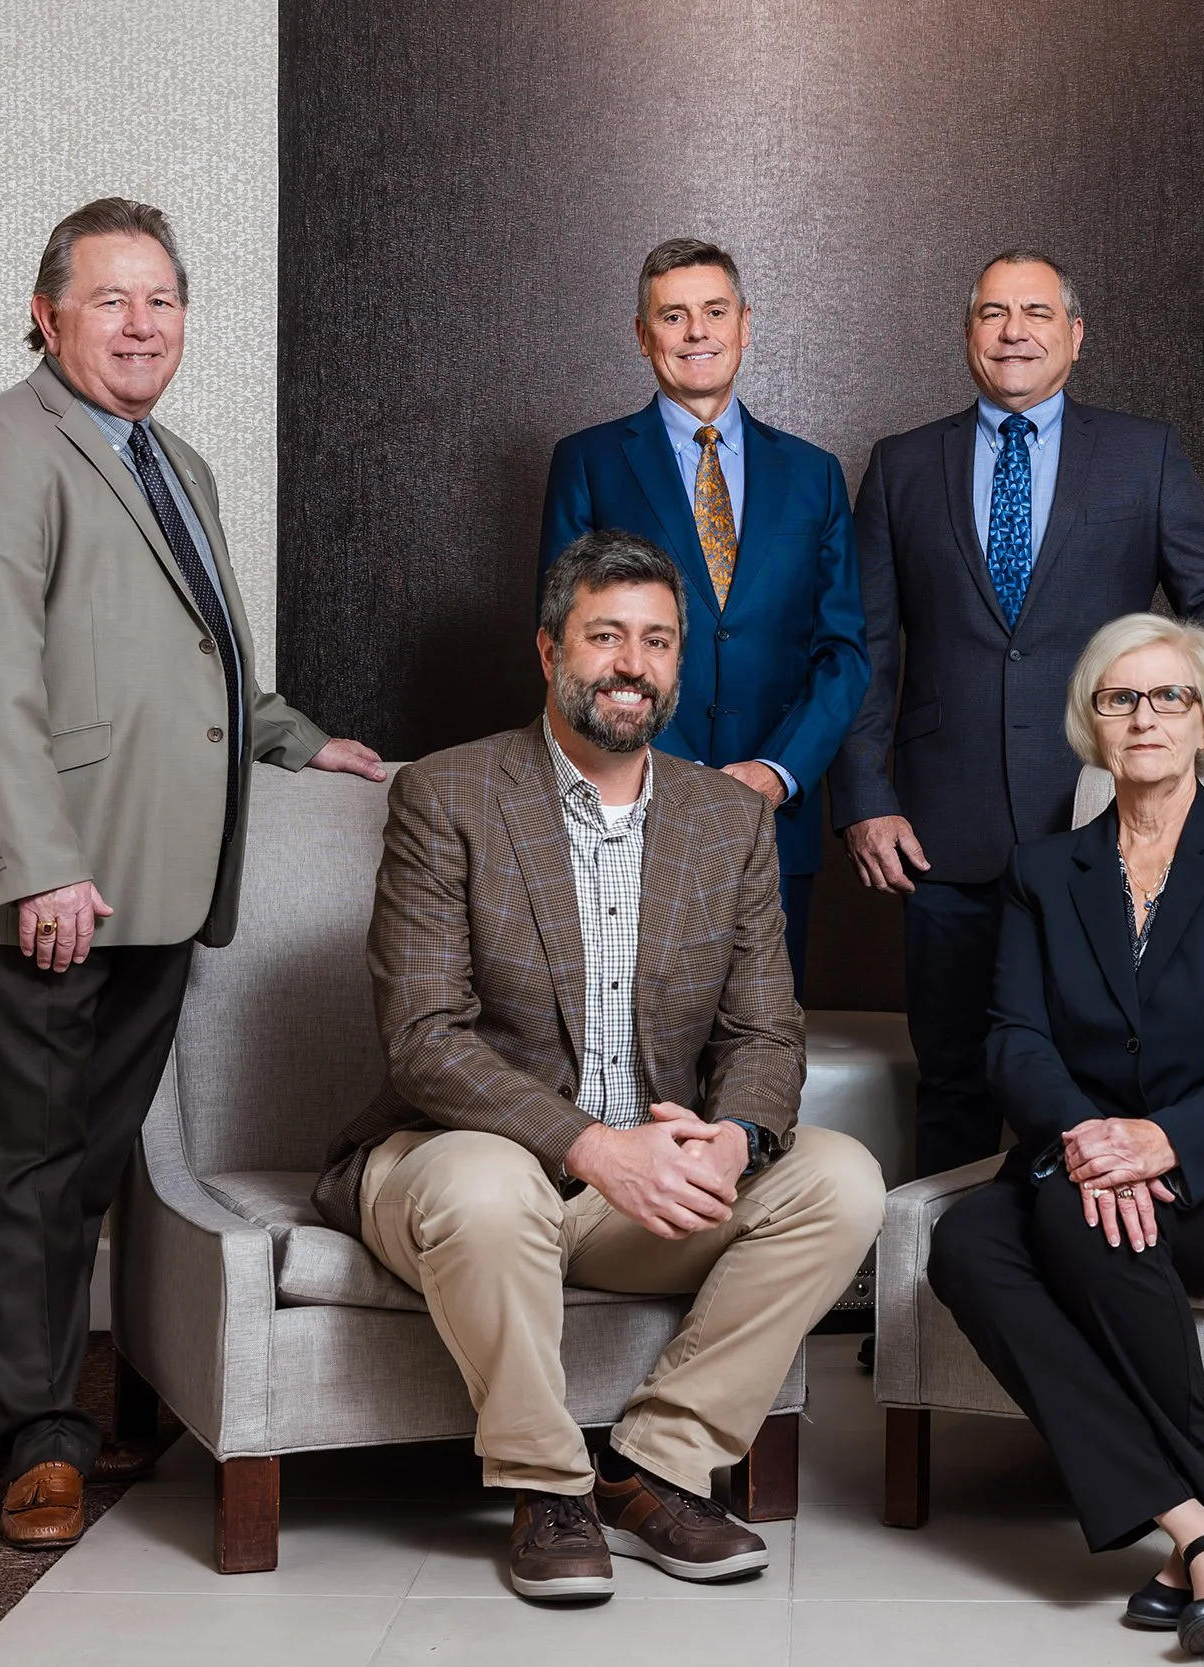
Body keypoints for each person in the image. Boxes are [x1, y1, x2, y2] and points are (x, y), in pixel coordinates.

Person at [0, 198, 385, 1550]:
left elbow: (213, 667)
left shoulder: (179, 463)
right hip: (46, 888)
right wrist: (37, 867)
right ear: (45, 313)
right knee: (23, 1160)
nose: (140, 323)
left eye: (162, 298)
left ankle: (3, 1398)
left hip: (161, 882)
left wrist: (304, 739)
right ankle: (42, 1439)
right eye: (110, 298)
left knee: (83, 1160)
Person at [312, 531, 885, 1602]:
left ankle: (650, 1465)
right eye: (606, 634)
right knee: (489, 1184)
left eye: (657, 640)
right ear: (548, 649)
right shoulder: (448, 795)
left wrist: (735, 1136)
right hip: (455, 1166)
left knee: (841, 1176)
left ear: (678, 664)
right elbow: (426, 1037)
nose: (631, 662)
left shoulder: (728, 819)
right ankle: (545, 1485)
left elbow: (767, 1033)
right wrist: (591, 1144)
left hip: (641, 1198)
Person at [926, 614, 1204, 1656]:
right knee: (966, 1240)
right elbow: (1013, 1037)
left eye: (1169, 696)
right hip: (1084, 1153)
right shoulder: (1043, 870)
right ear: (1092, 722)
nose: (1144, 716)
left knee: (1078, 1223)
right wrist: (1084, 1133)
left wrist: (1159, 1140)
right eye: (1120, 697)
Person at [829, 248, 1204, 1181]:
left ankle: (1073, 1295)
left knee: (1095, 1081)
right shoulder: (904, 465)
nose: (1013, 330)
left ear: (1075, 335)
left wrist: (1192, 744)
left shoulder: (1143, 453)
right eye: (992, 313)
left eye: (1035, 312)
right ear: (968, 334)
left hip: (1104, 821)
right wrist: (864, 793)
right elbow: (864, 647)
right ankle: (930, 1315)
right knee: (951, 1081)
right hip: (940, 830)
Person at [540, 238, 869, 994]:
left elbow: (844, 649)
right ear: (642, 333)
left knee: (764, 1042)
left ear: (745, 324)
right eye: (674, 315)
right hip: (632, 803)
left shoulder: (815, 475)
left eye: (715, 312)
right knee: (633, 1035)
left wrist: (779, 773)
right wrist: (670, 769)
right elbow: (567, 641)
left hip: (774, 819)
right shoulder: (588, 462)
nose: (697, 332)